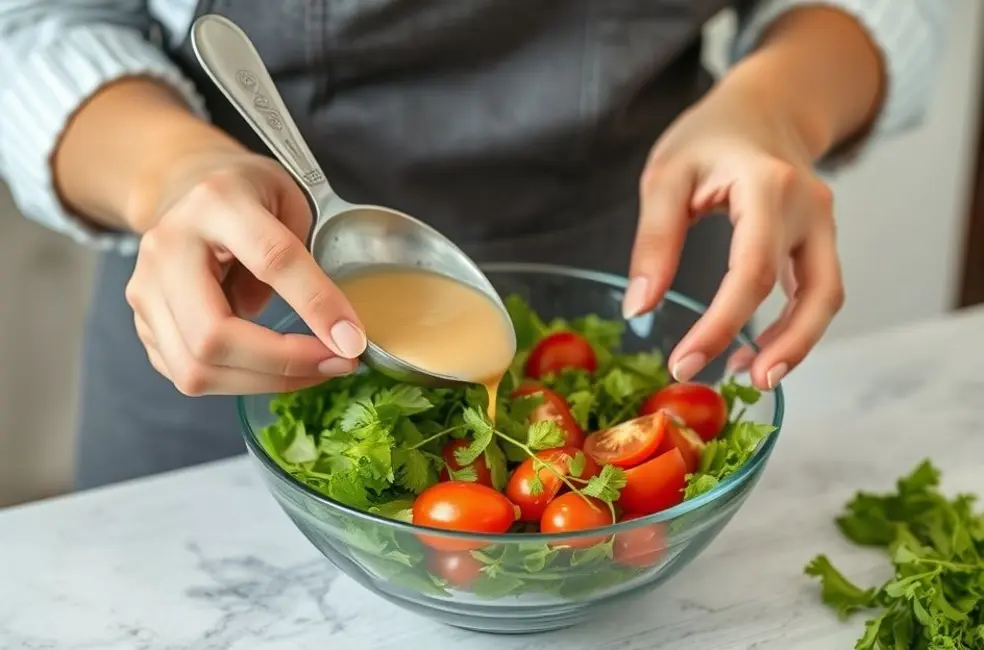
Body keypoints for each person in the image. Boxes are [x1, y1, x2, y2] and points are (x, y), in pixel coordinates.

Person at [0, 1, 947, 489]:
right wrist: (170, 171)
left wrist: (776, 108)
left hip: (642, 282)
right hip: (229, 310)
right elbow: (33, 23)